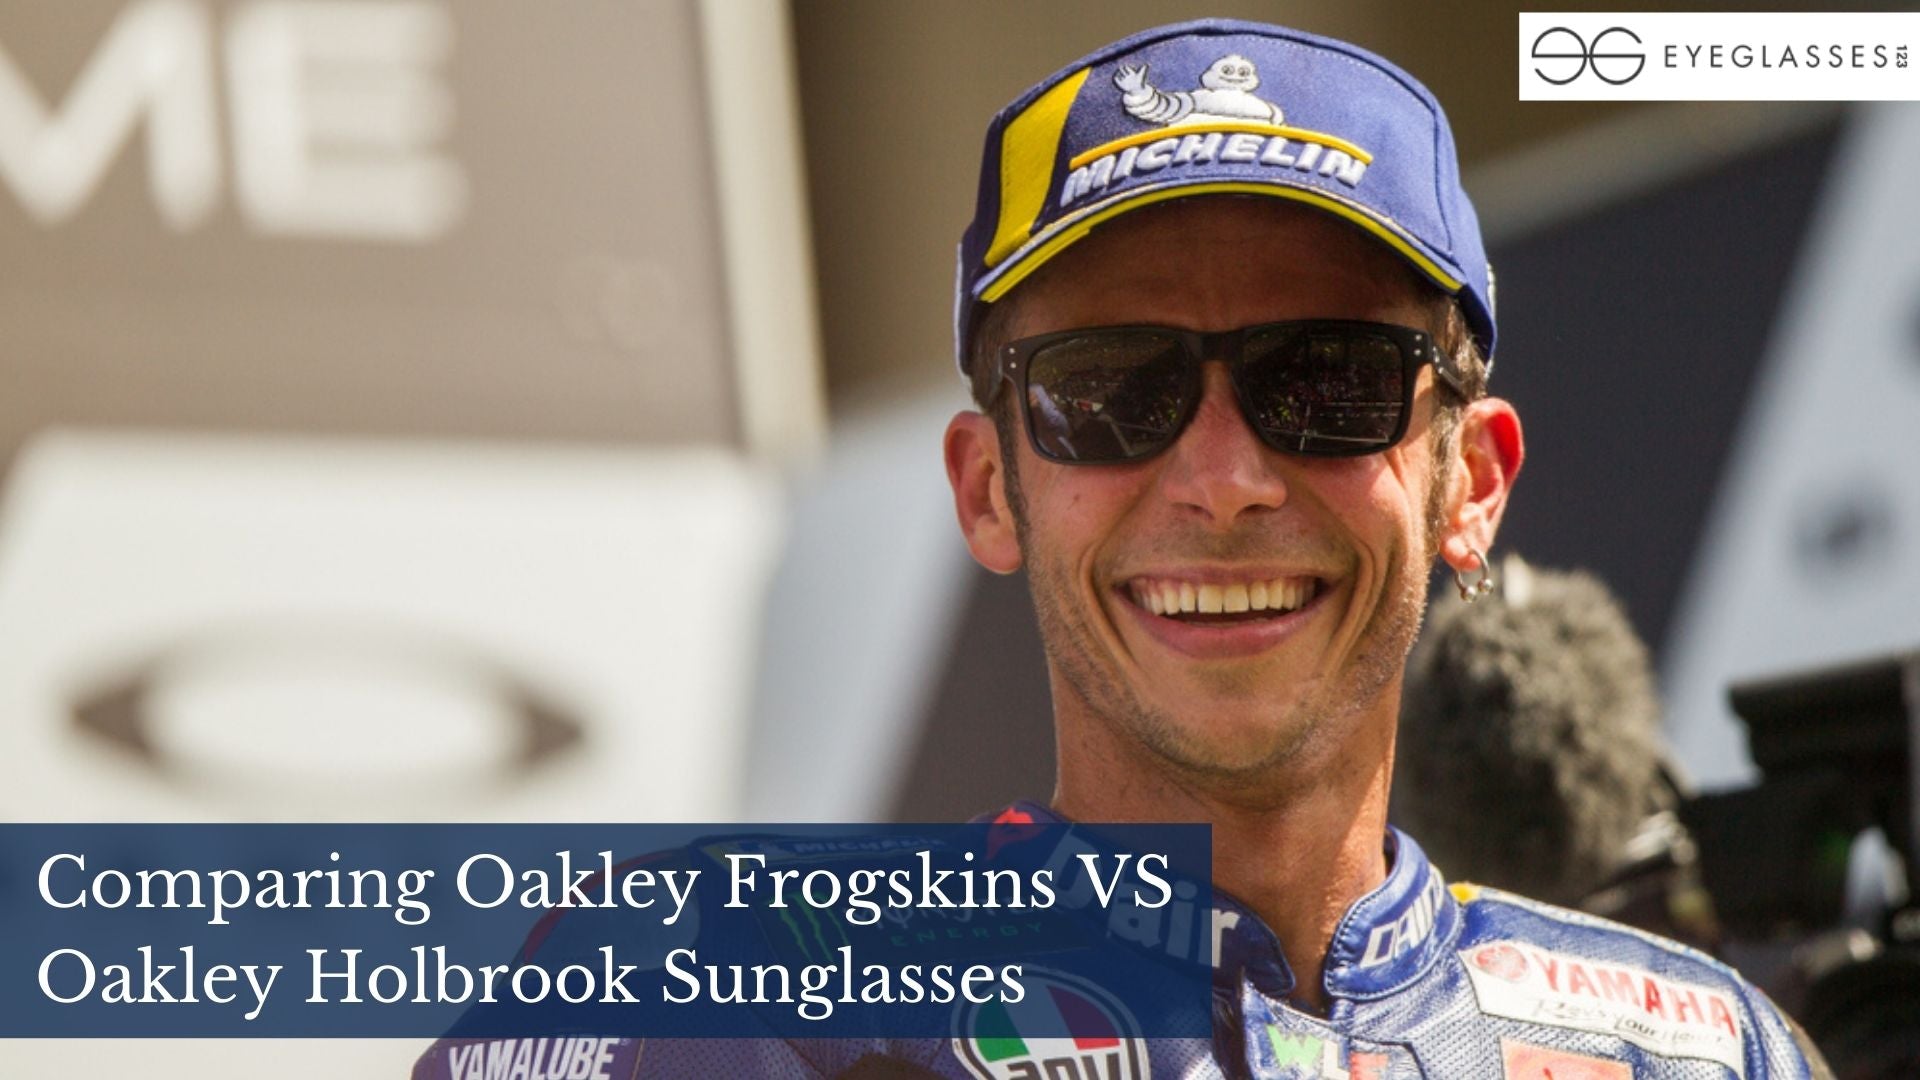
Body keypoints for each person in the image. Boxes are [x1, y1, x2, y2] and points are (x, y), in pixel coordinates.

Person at [413, 19, 1831, 1078]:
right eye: (1105, 390)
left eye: (1327, 379)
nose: (1222, 481)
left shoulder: (1701, 1051)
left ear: (1473, 481)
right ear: (990, 488)